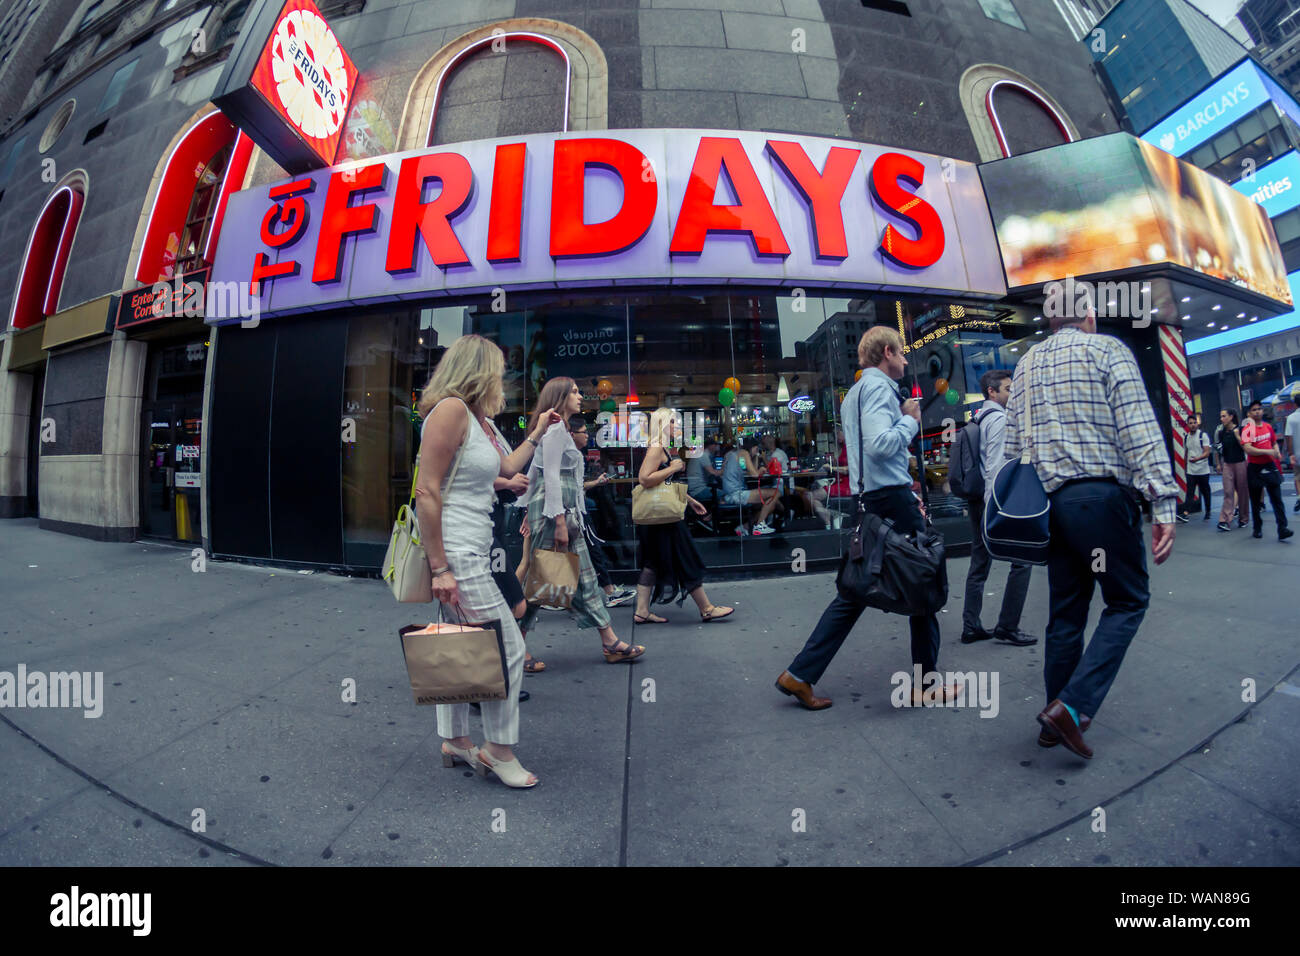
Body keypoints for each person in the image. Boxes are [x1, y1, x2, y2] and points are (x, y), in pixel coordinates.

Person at [1003, 307, 1178, 760]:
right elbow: (1138, 429)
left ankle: (1051, 721)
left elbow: (1010, 448)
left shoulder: (1025, 365)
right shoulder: (1107, 350)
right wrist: (1162, 502)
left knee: (1065, 614)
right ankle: (1072, 708)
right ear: (1087, 316)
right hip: (1101, 498)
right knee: (1127, 601)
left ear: (1049, 320)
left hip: (1050, 506)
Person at [776, 327, 956, 711]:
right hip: (891, 499)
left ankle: (800, 673)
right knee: (924, 579)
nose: (906, 361)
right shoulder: (878, 390)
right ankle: (925, 684)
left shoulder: (854, 395)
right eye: (902, 354)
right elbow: (878, 446)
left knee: (854, 590)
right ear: (887, 352)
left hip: (872, 499)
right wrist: (910, 420)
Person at [414, 335, 560, 789]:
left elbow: (507, 466)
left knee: (460, 647)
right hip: (456, 551)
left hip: (471, 547)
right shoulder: (451, 411)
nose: (502, 378)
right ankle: (497, 751)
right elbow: (427, 490)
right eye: (497, 369)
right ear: (478, 370)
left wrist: (535, 435)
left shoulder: (475, 420)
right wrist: (439, 567)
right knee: (506, 648)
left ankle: (455, 740)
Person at [517, 378, 645, 663]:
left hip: (559, 512)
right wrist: (558, 520)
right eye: (573, 392)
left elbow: (538, 473)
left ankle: (609, 640)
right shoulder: (554, 431)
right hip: (555, 514)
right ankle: (515, 643)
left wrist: (535, 511)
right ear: (560, 397)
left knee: (582, 577)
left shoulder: (558, 429)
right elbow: (548, 475)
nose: (580, 396)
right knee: (542, 581)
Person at [634, 408, 735, 624]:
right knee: (686, 557)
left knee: (652, 563)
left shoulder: (664, 449)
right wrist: (672, 468)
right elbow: (644, 479)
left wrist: (690, 500)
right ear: (661, 425)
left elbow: (663, 485)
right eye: (671, 422)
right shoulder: (656, 448)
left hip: (658, 516)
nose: (676, 426)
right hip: (663, 519)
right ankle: (706, 608)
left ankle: (641, 611)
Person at [960, 369, 1037, 647]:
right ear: (991, 392)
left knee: (979, 563)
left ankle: (971, 625)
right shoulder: (1001, 420)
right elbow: (995, 466)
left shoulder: (978, 418)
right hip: (995, 501)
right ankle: (1008, 625)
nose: (1012, 393)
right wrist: (998, 508)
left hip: (979, 500)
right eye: (1007, 389)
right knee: (1022, 560)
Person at [569, 413, 636, 608]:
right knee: (593, 551)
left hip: (575, 511)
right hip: (576, 512)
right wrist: (595, 483)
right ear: (572, 434)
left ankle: (560, 594)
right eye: (583, 432)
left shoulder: (574, 455)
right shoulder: (572, 456)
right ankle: (608, 591)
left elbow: (576, 485)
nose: (587, 436)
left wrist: (596, 482)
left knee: (584, 552)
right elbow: (574, 487)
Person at [1242, 400, 1293, 541]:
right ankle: (1257, 528)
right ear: (1249, 413)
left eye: (1259, 409)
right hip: (1254, 468)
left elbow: (1274, 442)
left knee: (1277, 499)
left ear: (1262, 411)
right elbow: (1248, 448)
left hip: (1270, 466)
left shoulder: (1268, 427)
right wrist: (1268, 451)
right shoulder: (1248, 429)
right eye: (1254, 410)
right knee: (1256, 502)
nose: (1257, 411)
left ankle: (1282, 528)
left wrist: (1276, 451)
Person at [720, 438, 782, 535]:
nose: (757, 451)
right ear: (752, 447)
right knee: (776, 492)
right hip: (736, 494)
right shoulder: (744, 453)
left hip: (731, 493)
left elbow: (750, 470)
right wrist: (761, 469)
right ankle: (759, 526)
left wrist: (756, 457)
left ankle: (744, 527)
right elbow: (754, 474)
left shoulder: (737, 454)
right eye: (756, 449)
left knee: (770, 505)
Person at [1216, 409, 1249, 532]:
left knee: (1243, 492)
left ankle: (1243, 519)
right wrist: (1219, 463)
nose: (1221, 419)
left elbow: (1246, 447)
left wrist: (1237, 435)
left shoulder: (1241, 429)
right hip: (1227, 464)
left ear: (1231, 417)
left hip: (1240, 463)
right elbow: (1219, 449)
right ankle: (1224, 520)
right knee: (1228, 492)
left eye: (1224, 416)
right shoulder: (1221, 432)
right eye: (1221, 416)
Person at [1177, 413, 1213, 523]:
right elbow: (1186, 453)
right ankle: (1186, 513)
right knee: (1190, 492)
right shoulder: (1186, 437)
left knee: (1205, 491)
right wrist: (1185, 467)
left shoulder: (1203, 435)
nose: (1193, 425)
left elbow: (1207, 452)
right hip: (1191, 470)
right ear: (1187, 424)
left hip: (1202, 470)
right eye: (1190, 423)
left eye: (1194, 423)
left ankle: (1208, 511)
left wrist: (1197, 459)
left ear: (1197, 424)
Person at [1287, 388, 1300, 513]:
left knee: (1297, 477)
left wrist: (1290, 453)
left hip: (1297, 454)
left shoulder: (1291, 418)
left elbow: (1289, 437)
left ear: (1295, 404)